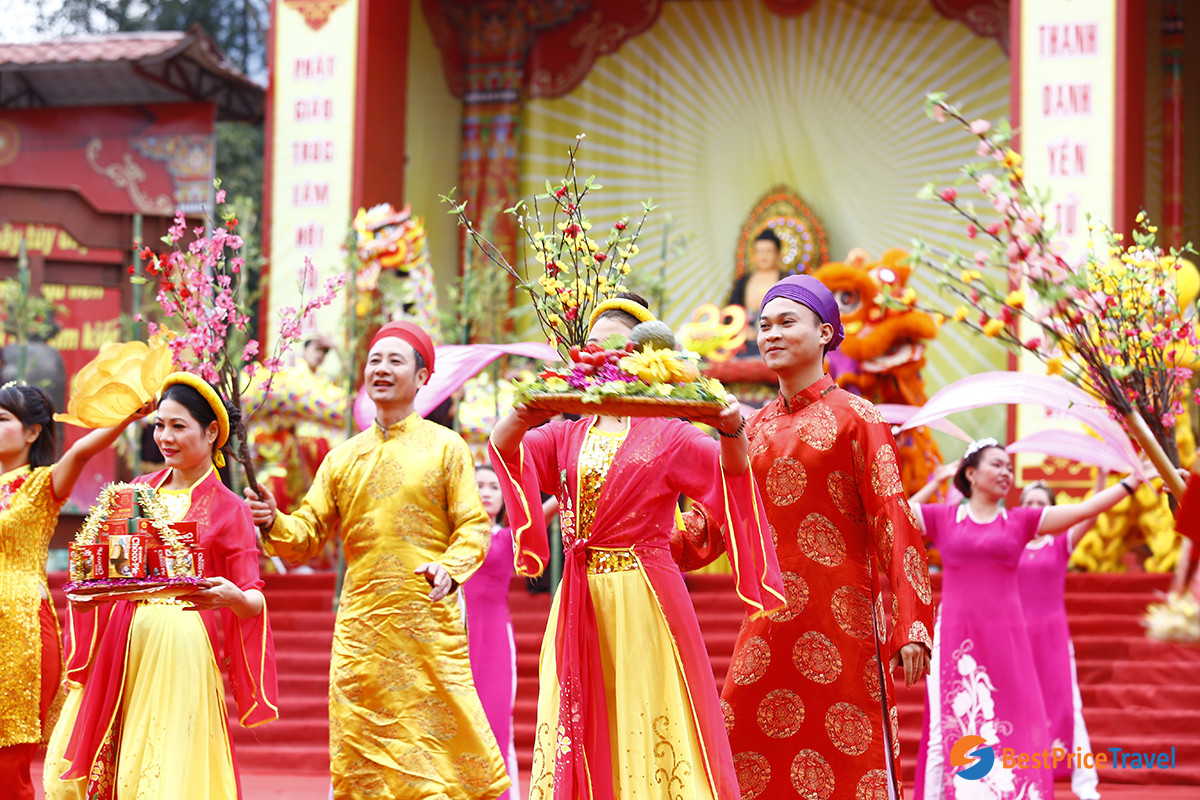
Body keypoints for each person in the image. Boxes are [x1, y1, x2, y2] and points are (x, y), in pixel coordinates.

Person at [489, 292, 785, 800]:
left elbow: (729, 473)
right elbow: (504, 449)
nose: (603, 356)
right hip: (578, 595)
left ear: (644, 355)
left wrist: (733, 427)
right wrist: (524, 410)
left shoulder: (670, 432)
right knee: (578, 717)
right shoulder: (566, 433)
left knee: (647, 713)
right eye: (593, 347)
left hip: (645, 596)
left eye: (617, 346)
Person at [673, 275, 935, 800]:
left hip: (847, 626)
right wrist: (630, 530)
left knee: (850, 765)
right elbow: (710, 527)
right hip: (768, 624)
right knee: (741, 752)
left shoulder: (858, 418)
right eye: (763, 325)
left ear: (825, 334)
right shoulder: (750, 431)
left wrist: (913, 623)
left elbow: (893, 520)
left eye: (787, 322)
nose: (770, 334)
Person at [245, 320, 510, 800]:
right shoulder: (342, 459)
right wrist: (271, 520)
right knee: (362, 753)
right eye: (374, 361)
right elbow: (305, 536)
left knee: (435, 754)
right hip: (362, 630)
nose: (381, 370)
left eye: (395, 361)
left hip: (427, 622)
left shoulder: (447, 447)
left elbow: (473, 525)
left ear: (422, 376)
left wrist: (450, 568)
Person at [44, 372, 278, 800]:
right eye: (159, 425)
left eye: (178, 426)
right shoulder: (133, 492)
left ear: (211, 433)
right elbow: (107, 567)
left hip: (181, 647)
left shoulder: (230, 510)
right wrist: (89, 588)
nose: (164, 437)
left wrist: (235, 598)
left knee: (163, 768)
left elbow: (254, 593)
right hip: (122, 640)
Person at [910, 439, 1147, 800]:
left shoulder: (1021, 522)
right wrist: (936, 479)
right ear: (970, 473)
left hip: (1007, 638)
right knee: (947, 729)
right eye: (997, 465)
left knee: (1014, 718)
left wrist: (1132, 481)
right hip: (956, 638)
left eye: (1009, 466)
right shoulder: (944, 519)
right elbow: (898, 510)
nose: (1007, 472)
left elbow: (1085, 510)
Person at [0, 383, 149, 800]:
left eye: (2, 419)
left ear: (32, 433)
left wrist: (127, 416)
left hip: (20, 627)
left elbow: (81, 452)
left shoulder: (42, 485)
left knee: (8, 757)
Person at [1018, 480, 1102, 800]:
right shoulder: (1009, 544)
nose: (1034, 509)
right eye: (1028, 503)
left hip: (1053, 638)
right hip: (1015, 638)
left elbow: (1092, 514)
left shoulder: (1059, 543)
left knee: (1069, 708)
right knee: (1017, 708)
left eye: (1041, 503)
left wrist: (1101, 478)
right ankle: (1018, 780)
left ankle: (1086, 785)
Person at [464, 465, 520, 800]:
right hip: (455, 636)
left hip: (496, 638)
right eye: (479, 485)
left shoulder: (510, 537)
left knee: (497, 722)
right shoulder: (452, 539)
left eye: (493, 487)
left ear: (504, 497)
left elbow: (543, 514)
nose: (485, 492)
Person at [728, 228, 785, 356]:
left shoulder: (786, 280)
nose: (763, 256)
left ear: (778, 253)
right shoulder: (744, 280)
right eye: (759, 251)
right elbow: (731, 310)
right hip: (746, 337)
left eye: (768, 251)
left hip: (777, 336)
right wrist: (742, 328)